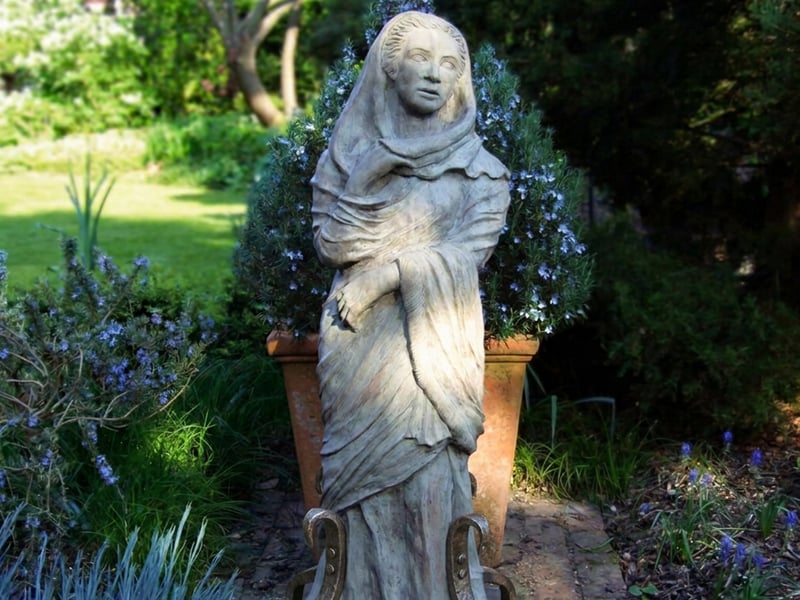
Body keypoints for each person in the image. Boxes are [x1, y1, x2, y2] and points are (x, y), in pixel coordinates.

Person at [310, 10, 510, 598]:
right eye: (420, 59)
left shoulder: (483, 174)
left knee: (426, 485)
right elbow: (332, 243)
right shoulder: (348, 158)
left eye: (450, 65)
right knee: (356, 492)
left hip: (432, 350)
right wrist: (368, 178)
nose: (434, 75)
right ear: (389, 69)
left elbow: (466, 256)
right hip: (357, 343)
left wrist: (383, 277)